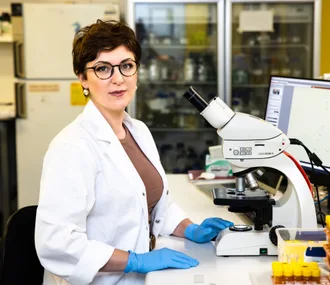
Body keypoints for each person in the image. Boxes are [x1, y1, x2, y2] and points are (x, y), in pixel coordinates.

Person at [35, 20, 233, 285]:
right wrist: (134, 261)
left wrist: (191, 229)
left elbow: (154, 206)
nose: (118, 79)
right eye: (103, 68)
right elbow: (56, 243)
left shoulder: (138, 131)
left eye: (126, 66)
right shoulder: (71, 147)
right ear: (82, 77)